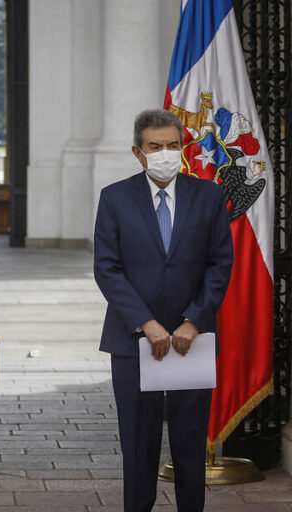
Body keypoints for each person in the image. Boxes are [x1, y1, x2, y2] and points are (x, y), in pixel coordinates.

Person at [93, 109, 233, 512]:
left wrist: (194, 320)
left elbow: (220, 263)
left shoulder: (208, 196)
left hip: (193, 341)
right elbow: (107, 268)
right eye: (156, 147)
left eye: (173, 145)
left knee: (190, 446)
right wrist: (146, 323)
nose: (165, 153)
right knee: (139, 447)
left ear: (184, 148)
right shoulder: (115, 197)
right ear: (139, 153)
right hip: (134, 341)